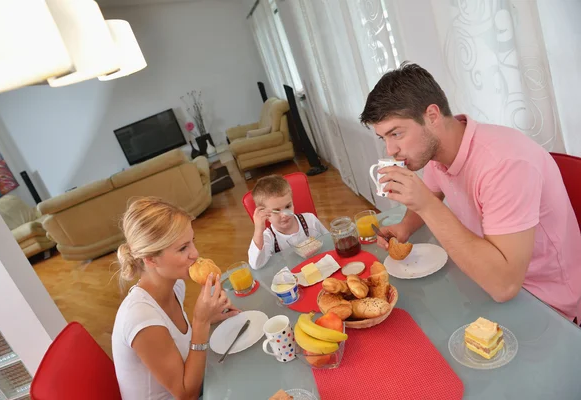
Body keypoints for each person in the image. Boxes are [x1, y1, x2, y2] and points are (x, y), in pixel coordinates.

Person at [360, 62, 581, 321]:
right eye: (383, 138)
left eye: (396, 133)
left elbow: (505, 287)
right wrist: (405, 227)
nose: (390, 150)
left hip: (544, 300)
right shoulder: (437, 151)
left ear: (432, 116)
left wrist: (427, 206)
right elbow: (432, 193)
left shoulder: (505, 164)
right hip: (483, 278)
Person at [112, 197, 240, 400]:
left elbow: (174, 342)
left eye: (192, 242)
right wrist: (200, 322)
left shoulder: (175, 285)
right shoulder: (140, 318)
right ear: (151, 259)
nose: (195, 254)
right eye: (183, 248)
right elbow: (186, 394)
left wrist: (209, 318)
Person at [248, 175, 329, 269]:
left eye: (287, 207)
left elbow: (329, 241)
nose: (285, 214)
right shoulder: (268, 237)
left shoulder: (309, 220)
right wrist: (258, 230)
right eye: (276, 211)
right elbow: (256, 265)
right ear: (264, 214)